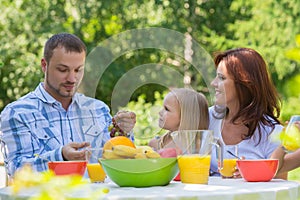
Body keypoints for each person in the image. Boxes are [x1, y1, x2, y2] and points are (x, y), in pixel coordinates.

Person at [0, 33, 136, 178]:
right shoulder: (17, 113)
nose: (72, 79)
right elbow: (17, 171)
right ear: (44, 65)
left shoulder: (98, 110)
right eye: (63, 70)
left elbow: (120, 161)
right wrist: (61, 156)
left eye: (78, 70)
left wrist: (123, 131)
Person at [208, 47, 287, 179]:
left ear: (245, 84)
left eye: (221, 78)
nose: (213, 83)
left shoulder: (271, 132)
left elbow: (280, 190)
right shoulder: (207, 118)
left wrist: (254, 174)